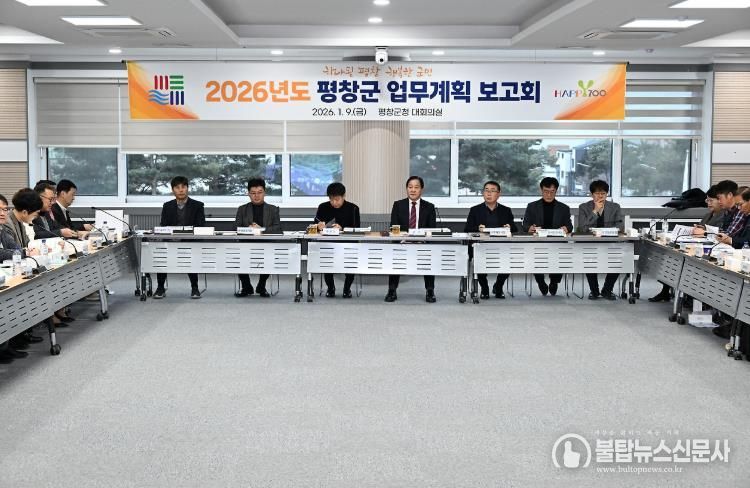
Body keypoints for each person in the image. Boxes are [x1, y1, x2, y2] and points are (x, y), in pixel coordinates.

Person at [0, 189, 44, 360]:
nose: (3, 213)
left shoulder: (2, 229)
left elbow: (16, 247)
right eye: (0, 209)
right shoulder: (7, 224)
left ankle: (14, 338)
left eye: (4, 209)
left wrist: (24, 251)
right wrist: (24, 253)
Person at [385, 176, 438, 303]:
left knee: (429, 257)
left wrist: (421, 238)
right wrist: (402, 237)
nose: (413, 190)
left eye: (416, 187)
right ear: (406, 189)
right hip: (402, 243)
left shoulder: (429, 207)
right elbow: (394, 227)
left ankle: (430, 290)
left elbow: (432, 228)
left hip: (422, 244)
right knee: (395, 256)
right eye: (410, 187)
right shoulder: (398, 205)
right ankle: (392, 290)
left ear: (421, 190)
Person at [153, 176, 206, 300]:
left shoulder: (197, 205)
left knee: (190, 256)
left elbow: (201, 225)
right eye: (177, 187)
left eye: (183, 187)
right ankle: (160, 287)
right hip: (171, 242)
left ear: (187, 188)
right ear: (173, 190)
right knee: (161, 254)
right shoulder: (167, 206)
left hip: (189, 241)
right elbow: (164, 225)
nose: (181, 190)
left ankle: (195, 288)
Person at [464, 180, 517, 299]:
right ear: (483, 193)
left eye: (493, 191)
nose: (489, 193)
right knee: (478, 260)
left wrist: (509, 227)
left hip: (501, 246)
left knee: (509, 260)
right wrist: (477, 228)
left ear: (498, 194)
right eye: (486, 190)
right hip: (481, 246)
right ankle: (484, 288)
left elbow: (514, 228)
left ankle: (498, 286)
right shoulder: (475, 210)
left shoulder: (506, 210)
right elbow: (467, 228)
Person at [522, 177, 573, 296]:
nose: (549, 194)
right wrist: (530, 228)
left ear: (556, 191)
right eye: (546, 191)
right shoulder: (532, 206)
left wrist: (566, 228)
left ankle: (554, 281)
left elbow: (569, 226)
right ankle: (540, 281)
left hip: (557, 243)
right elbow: (525, 225)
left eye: (552, 192)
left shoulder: (563, 208)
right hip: (538, 243)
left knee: (561, 256)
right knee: (535, 257)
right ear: (541, 190)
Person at [235, 177, 281, 298]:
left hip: (266, 244)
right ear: (248, 194)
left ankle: (261, 286)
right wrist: (249, 229)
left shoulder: (273, 209)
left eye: (260, 192)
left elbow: (278, 229)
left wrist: (261, 230)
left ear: (264, 192)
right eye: (253, 193)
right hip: (246, 244)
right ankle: (246, 286)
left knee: (269, 256)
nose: (257, 196)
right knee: (238, 256)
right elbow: (236, 228)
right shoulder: (242, 209)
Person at [577, 180, 623, 300]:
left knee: (619, 261)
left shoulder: (615, 207)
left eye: (603, 193)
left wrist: (606, 232)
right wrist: (595, 211)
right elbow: (582, 228)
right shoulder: (584, 207)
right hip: (590, 244)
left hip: (610, 243)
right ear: (592, 194)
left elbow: (620, 226)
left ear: (607, 194)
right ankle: (594, 291)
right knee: (589, 260)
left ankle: (607, 290)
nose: (600, 196)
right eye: (597, 193)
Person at [314, 182, 361, 298]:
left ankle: (347, 289)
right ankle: (331, 288)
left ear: (343, 196)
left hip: (348, 245)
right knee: (326, 261)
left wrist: (342, 228)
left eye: (337, 199)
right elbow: (315, 225)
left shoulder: (353, 208)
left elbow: (357, 229)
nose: (334, 202)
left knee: (350, 261)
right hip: (328, 244)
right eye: (331, 199)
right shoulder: (323, 207)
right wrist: (318, 226)